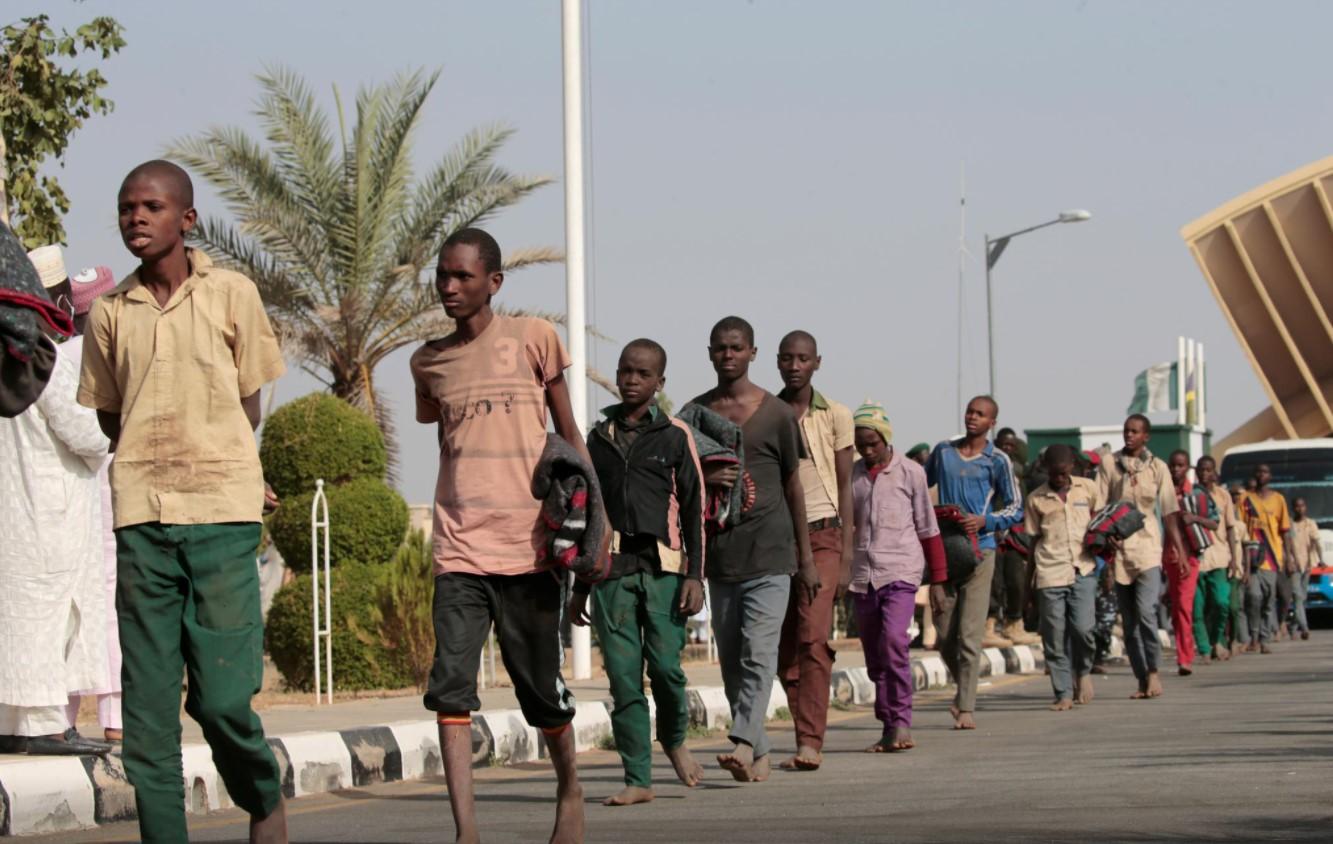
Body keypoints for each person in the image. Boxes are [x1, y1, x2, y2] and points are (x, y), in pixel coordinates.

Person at [78, 161, 288, 843]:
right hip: (141, 520)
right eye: (125, 207)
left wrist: (217, 454)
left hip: (222, 518)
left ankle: (262, 795)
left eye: (151, 206)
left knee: (223, 701)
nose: (136, 217)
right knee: (145, 719)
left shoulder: (232, 294)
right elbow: (111, 413)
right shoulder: (109, 314)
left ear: (186, 219)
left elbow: (247, 401)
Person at [411, 228, 595, 844]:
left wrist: (598, 528)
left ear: (494, 282)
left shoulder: (533, 339)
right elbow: (449, 442)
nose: (449, 287)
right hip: (458, 550)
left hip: (530, 548)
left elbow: (570, 432)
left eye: (462, 276)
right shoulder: (428, 361)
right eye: (442, 276)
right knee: (451, 688)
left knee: (540, 689)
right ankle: (467, 831)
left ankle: (570, 788)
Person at [568, 338, 706, 806]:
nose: (631, 380)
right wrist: (580, 587)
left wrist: (695, 576)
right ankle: (637, 778)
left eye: (642, 374)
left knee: (667, 671)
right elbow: (586, 515)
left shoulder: (674, 435)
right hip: (611, 574)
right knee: (624, 678)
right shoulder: (597, 438)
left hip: (665, 571)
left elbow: (694, 510)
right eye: (626, 371)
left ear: (659, 383)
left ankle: (674, 739)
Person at [686, 316, 816, 782]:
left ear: (752, 353)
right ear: (709, 352)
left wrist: (805, 559)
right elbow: (680, 487)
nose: (728, 355)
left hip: (772, 553)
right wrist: (704, 477)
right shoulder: (695, 415)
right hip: (722, 559)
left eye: (737, 347)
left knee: (758, 655)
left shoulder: (777, 414)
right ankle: (759, 751)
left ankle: (741, 742)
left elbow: (793, 486)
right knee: (732, 666)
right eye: (720, 347)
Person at [0, 245, 112, 758]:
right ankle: (45, 726)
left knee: (15, 616)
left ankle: (14, 725)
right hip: (51, 512)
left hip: (12, 515)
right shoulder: (41, 355)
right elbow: (90, 436)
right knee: (48, 615)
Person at [775, 330, 854, 771]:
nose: (794, 365)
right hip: (778, 539)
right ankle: (801, 725)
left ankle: (810, 741)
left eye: (803, 358)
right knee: (783, 647)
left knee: (813, 636)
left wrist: (847, 556)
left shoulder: (835, 414)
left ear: (817, 363)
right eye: (787, 358)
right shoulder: (767, 412)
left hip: (824, 535)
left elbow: (845, 485)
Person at [849, 400, 946, 751]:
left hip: (901, 571)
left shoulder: (910, 473)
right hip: (863, 575)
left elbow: (928, 527)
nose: (867, 450)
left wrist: (938, 579)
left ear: (886, 439)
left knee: (893, 642)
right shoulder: (853, 475)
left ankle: (901, 720)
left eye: (873, 443)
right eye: (861, 445)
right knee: (876, 657)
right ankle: (888, 724)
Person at [925, 395, 1023, 730]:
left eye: (980, 414)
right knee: (944, 635)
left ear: (992, 422)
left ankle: (965, 705)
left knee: (969, 635)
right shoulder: (943, 452)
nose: (973, 418)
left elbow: (1015, 507)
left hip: (980, 552)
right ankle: (961, 686)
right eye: (970, 411)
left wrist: (986, 522)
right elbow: (920, 486)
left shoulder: (998, 460)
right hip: (946, 549)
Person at [62, 265, 124, 743]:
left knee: (74, 603)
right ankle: (115, 718)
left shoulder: (56, 356)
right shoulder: (115, 354)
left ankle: (64, 714)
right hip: (110, 487)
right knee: (112, 602)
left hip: (71, 496)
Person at [1095, 414, 1185, 700]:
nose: (1129, 436)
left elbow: (1169, 511)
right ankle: (1141, 677)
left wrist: (1178, 547)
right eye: (1126, 431)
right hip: (1119, 552)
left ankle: (1155, 671)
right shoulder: (1110, 463)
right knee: (1130, 621)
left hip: (1148, 549)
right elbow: (1099, 505)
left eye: (1135, 432)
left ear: (1146, 436)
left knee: (1146, 612)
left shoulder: (1157, 467)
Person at [1024, 444, 1102, 711]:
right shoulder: (1036, 498)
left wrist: (1110, 568)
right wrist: (1028, 586)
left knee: (1083, 630)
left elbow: (1103, 525)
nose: (1059, 478)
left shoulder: (1088, 489)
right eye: (1054, 473)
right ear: (1047, 469)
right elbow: (1033, 543)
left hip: (1084, 569)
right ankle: (1063, 692)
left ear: (1071, 467)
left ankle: (1083, 671)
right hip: (1049, 572)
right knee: (1054, 636)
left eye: (1063, 472)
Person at [1164, 450, 1214, 676]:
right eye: (1173, 465)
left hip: (1190, 557)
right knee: (1175, 609)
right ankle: (1183, 650)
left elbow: (1214, 522)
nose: (1176, 470)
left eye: (1180, 466)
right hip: (1166, 557)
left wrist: (1194, 518)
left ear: (1187, 468)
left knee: (1185, 606)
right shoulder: (1162, 493)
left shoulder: (1197, 493)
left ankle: (1185, 658)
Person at [991, 428, 1039, 647]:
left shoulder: (1019, 472)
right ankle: (988, 627)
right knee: (994, 583)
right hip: (991, 531)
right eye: (1004, 445)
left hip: (1014, 534)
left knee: (1016, 581)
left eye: (1011, 446)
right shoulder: (989, 465)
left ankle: (1014, 624)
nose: (1007, 449)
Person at [1238, 464, 1289, 655]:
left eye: (1265, 472)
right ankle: (1254, 635)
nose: (1261, 475)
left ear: (1270, 476)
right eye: (1258, 471)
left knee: (1269, 600)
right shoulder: (1245, 500)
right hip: (1251, 558)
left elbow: (1285, 531)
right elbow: (1240, 528)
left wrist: (1289, 557)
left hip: (1272, 558)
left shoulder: (1279, 500)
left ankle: (1264, 638)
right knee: (1254, 597)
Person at [1193, 456, 1236, 662]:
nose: (1204, 473)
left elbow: (1229, 527)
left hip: (1219, 556)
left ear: (1214, 472)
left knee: (1221, 602)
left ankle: (1216, 639)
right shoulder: (1190, 494)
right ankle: (1203, 648)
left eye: (1208, 470)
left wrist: (1235, 558)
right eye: (1201, 469)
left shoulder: (1223, 496)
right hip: (1197, 558)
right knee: (1198, 606)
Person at [1287, 496, 1321, 641]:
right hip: (1294, 565)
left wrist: (1321, 559)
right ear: (1293, 508)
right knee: (1297, 596)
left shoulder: (1310, 524)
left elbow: (1316, 542)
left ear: (1305, 507)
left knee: (1302, 597)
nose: (1299, 509)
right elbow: (1287, 544)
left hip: (1307, 565)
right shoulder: (1289, 524)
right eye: (1296, 506)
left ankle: (1293, 626)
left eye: (1302, 506)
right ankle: (1305, 628)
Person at [1227, 483, 1251, 649]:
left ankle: (1238, 639)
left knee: (1236, 607)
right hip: (1220, 567)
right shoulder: (1219, 523)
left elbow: (1246, 548)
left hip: (1236, 571)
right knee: (1221, 606)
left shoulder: (1241, 526)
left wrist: (1247, 570)